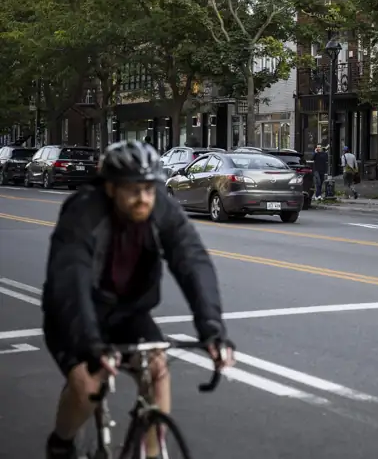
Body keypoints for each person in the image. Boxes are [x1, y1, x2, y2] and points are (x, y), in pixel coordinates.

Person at [42, 141, 235, 459]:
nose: (143, 198)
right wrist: (90, 343)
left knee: (157, 368)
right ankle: (61, 443)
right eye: (133, 190)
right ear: (110, 188)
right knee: (88, 385)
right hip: (74, 311)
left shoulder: (160, 208)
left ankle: (152, 453)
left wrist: (212, 330)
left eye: (149, 189)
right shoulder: (83, 212)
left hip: (128, 312)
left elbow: (192, 262)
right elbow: (70, 280)